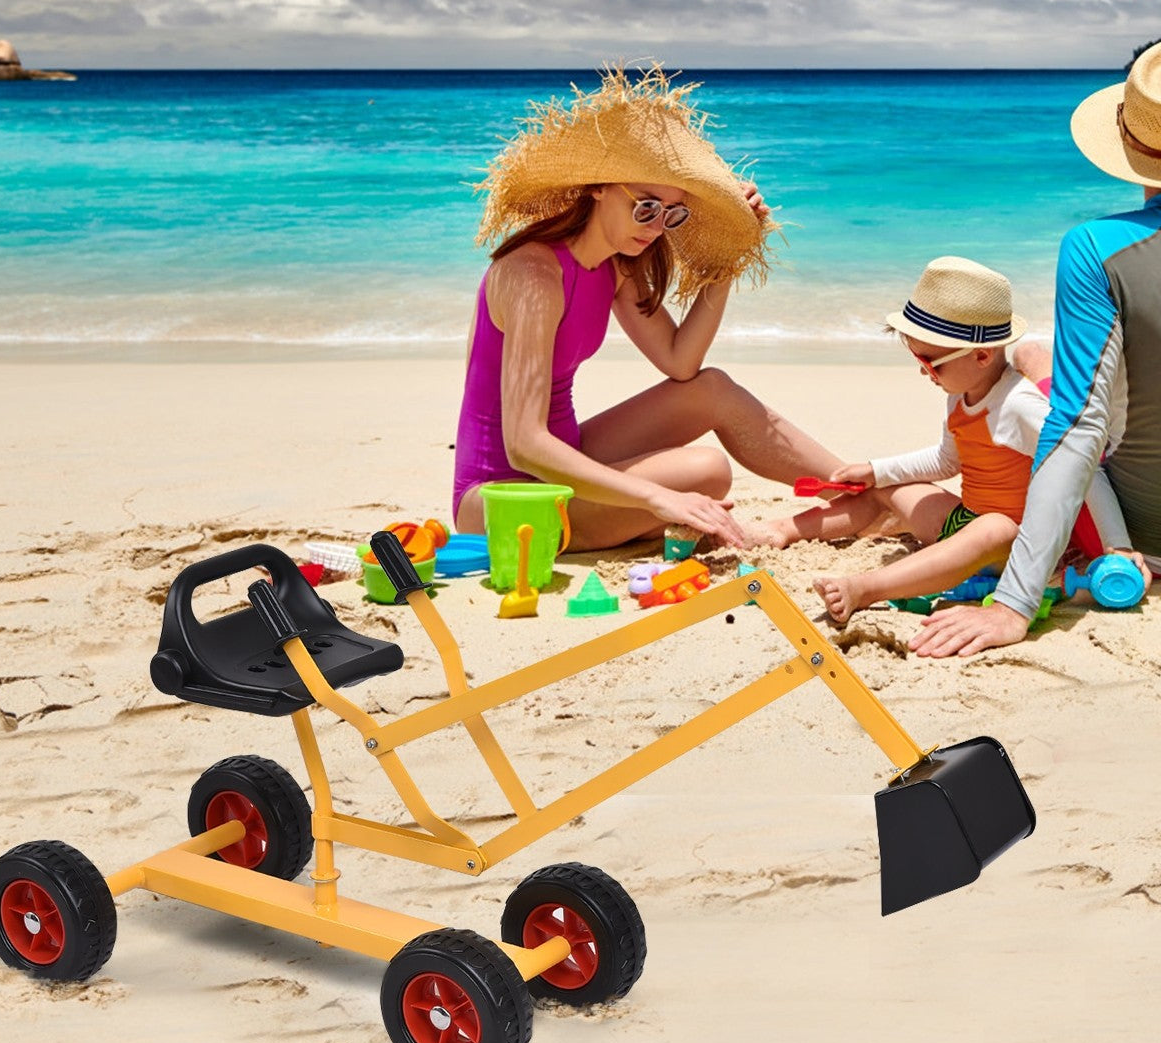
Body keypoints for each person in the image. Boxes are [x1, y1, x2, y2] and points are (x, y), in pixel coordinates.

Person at [451, 66, 842, 552]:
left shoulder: (615, 267)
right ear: (599, 186)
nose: (656, 227)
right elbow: (524, 444)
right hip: (502, 501)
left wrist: (730, 256)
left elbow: (682, 364)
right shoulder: (534, 276)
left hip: (564, 461)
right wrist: (657, 497)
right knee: (706, 471)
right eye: (646, 207)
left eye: (671, 213)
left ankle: (852, 486)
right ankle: (857, 494)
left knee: (711, 389)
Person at [910, 43, 1161, 658]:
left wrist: (1015, 601)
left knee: (1034, 361)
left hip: (1144, 536)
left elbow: (1079, 424)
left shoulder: (1096, 249)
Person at [752, 257, 1127, 624]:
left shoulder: (1019, 406)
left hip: (1016, 545)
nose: (922, 370)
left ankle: (864, 589)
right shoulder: (960, 393)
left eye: (931, 362)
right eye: (916, 357)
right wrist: (875, 470)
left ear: (981, 355)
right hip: (967, 521)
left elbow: (1083, 466)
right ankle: (787, 529)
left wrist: (1117, 547)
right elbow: (947, 461)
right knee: (888, 487)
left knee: (995, 526)